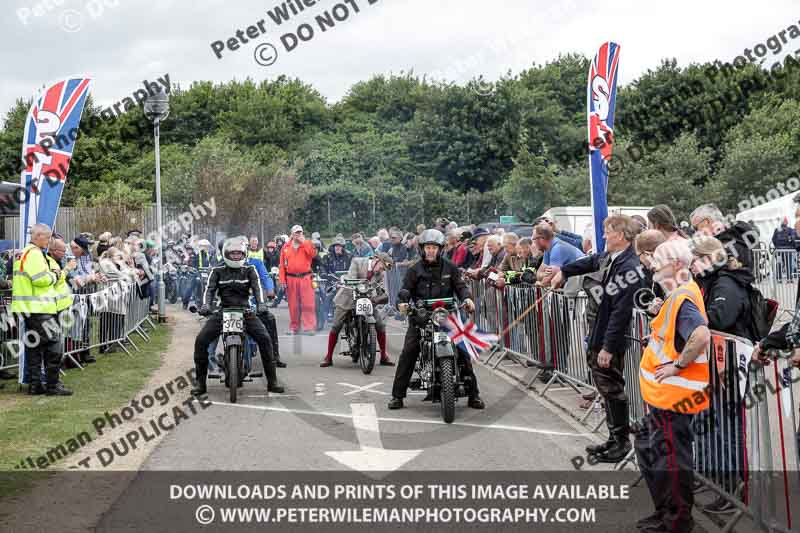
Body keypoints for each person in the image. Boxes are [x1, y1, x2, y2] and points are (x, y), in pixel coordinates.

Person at [634, 239, 711, 533]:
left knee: (671, 458)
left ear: (677, 264)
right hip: (665, 394)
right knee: (651, 447)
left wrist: (678, 364)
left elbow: (701, 335)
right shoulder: (677, 295)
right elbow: (675, 335)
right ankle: (666, 512)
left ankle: (677, 520)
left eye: (660, 261)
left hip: (675, 395)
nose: (654, 265)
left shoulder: (683, 297)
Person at [551, 215, 642, 462]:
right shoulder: (612, 258)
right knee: (605, 389)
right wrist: (564, 271)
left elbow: (621, 313)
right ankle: (613, 438)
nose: (603, 236)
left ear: (621, 236)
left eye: (607, 232)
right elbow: (590, 262)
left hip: (609, 339)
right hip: (599, 332)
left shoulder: (629, 267)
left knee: (613, 390)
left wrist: (608, 348)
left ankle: (621, 443)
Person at [388, 229, 484, 410]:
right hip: (422, 317)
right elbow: (405, 290)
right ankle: (397, 396)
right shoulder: (414, 270)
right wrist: (402, 303)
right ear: (422, 249)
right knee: (409, 351)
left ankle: (474, 395)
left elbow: (461, 287)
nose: (431, 251)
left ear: (440, 249)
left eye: (434, 248)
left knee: (464, 352)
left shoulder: (450, 268)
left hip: (447, 316)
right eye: (428, 247)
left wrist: (467, 298)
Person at [193, 238, 284, 396]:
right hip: (223, 311)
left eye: (239, 253)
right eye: (232, 253)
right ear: (226, 254)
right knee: (201, 341)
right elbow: (209, 290)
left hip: (245, 311)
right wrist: (206, 305)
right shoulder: (217, 270)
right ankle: (200, 383)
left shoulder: (250, 269)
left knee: (265, 339)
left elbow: (257, 288)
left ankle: (272, 381)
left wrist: (262, 304)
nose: (235, 256)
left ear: (244, 254)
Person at [12, 224, 73, 396]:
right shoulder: (34, 254)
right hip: (39, 307)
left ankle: (35, 384)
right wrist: (54, 274)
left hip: (29, 308)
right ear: (38, 236)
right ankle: (52, 386)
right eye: (47, 238)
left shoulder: (23, 253)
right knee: (54, 344)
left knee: (35, 347)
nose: (48, 242)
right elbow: (40, 279)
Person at [320, 253, 396, 367]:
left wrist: (379, 296)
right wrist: (362, 285)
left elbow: (380, 288)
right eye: (381, 267)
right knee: (336, 325)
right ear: (376, 260)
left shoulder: (380, 274)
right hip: (348, 297)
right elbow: (352, 278)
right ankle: (328, 357)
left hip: (366, 300)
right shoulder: (357, 262)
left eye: (384, 269)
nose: (381, 270)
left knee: (380, 324)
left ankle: (384, 356)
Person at [690, 203, 758, 274]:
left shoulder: (728, 242)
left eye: (696, 227)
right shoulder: (734, 235)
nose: (697, 232)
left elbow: (719, 275)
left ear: (707, 221)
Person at [279, 225, 318, 334]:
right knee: (293, 305)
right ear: (291, 234)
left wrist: (304, 242)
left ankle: (309, 327)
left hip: (305, 277)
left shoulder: (307, 243)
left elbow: (313, 254)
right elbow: (282, 265)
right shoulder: (285, 247)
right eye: (296, 232)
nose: (298, 234)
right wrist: (282, 280)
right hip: (291, 278)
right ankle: (294, 327)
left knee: (308, 303)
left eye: (300, 232)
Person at [771, 217, 797, 282]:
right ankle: (789, 279)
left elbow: (773, 239)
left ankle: (779, 279)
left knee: (779, 264)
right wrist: (793, 246)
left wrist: (777, 246)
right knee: (788, 264)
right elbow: (794, 239)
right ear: (787, 223)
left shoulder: (777, 230)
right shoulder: (790, 230)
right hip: (788, 250)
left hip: (779, 251)